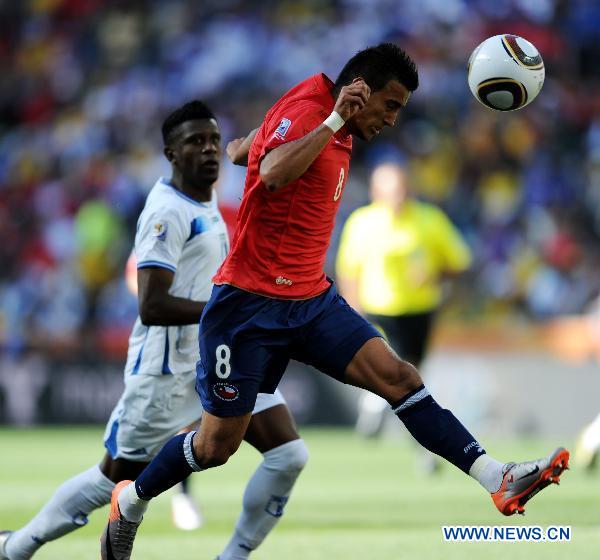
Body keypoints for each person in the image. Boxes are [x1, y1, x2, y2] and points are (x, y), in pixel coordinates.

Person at [99, 44, 569, 560]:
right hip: (246, 307)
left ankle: (495, 477)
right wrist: (329, 121)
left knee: (400, 378)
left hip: (309, 298)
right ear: (359, 90)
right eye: (389, 105)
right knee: (216, 448)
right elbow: (275, 171)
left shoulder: (322, 109)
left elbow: (250, 153)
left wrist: (248, 146)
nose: (391, 120)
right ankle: (132, 499)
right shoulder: (318, 112)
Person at [0, 101, 309, 560]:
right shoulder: (166, 214)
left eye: (213, 141)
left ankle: (233, 555)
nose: (207, 150)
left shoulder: (208, 204)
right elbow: (152, 303)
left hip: (219, 358)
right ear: (170, 152)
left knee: (288, 454)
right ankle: (17, 547)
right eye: (194, 142)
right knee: (111, 478)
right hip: (165, 373)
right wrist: (225, 313)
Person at [336, 162, 471, 455]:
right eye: (389, 189)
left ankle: (391, 417)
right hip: (379, 308)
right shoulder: (363, 222)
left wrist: (432, 275)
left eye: (400, 188)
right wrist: (353, 310)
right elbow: (348, 270)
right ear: (376, 192)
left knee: (412, 374)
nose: (396, 196)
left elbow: (458, 262)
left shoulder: (429, 219)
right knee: (397, 370)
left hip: (420, 309)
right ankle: (395, 422)